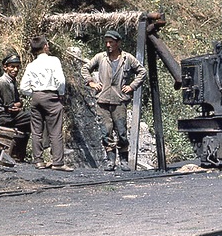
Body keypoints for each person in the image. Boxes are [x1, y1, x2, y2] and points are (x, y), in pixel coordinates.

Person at [81, 29, 146, 171]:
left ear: (118, 43)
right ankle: (111, 161)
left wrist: (132, 86)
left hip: (120, 100)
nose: (108, 45)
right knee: (106, 132)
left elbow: (142, 72)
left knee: (121, 132)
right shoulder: (100, 57)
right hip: (103, 100)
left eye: (111, 42)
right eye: (106, 42)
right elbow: (85, 68)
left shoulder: (127, 58)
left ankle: (123, 160)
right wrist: (91, 82)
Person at [19, 35, 73, 171]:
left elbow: (23, 87)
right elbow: (60, 81)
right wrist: (60, 94)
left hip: (36, 97)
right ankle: (58, 162)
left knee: (36, 130)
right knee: (55, 130)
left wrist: (35, 93)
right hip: (51, 96)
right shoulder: (53, 61)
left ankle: (38, 161)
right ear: (45, 47)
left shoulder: (31, 65)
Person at [0, 53, 30, 162]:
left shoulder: (11, 81)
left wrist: (18, 104)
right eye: (12, 66)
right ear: (5, 67)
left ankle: (19, 154)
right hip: (5, 117)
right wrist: (18, 104)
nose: (15, 69)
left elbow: (18, 103)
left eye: (17, 67)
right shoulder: (3, 83)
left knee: (28, 126)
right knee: (35, 116)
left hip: (9, 115)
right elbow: (12, 106)